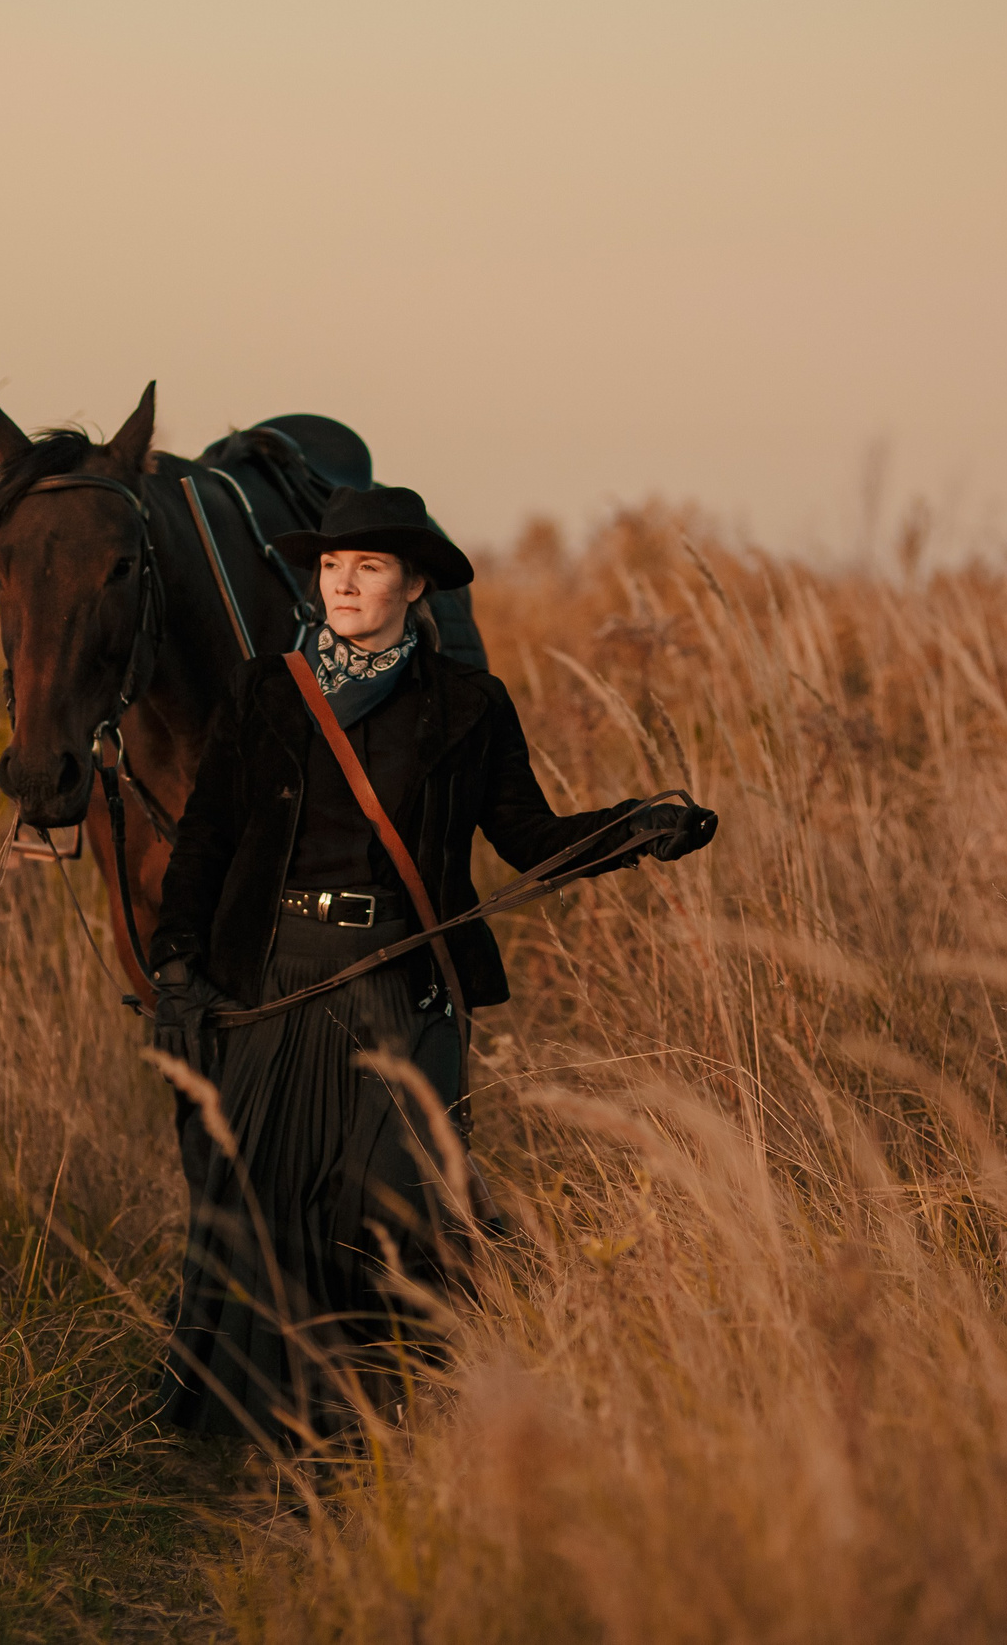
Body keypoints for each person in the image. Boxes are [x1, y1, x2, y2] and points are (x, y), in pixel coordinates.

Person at [147, 484, 717, 1445]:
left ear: (415, 583)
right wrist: (177, 965)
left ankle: (384, 1410)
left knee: (389, 1202)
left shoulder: (468, 704)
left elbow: (528, 839)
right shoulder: (264, 690)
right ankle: (277, 1423)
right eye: (330, 565)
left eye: (367, 566)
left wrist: (637, 828)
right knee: (269, 1199)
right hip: (281, 978)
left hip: (402, 983)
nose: (343, 583)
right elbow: (207, 841)